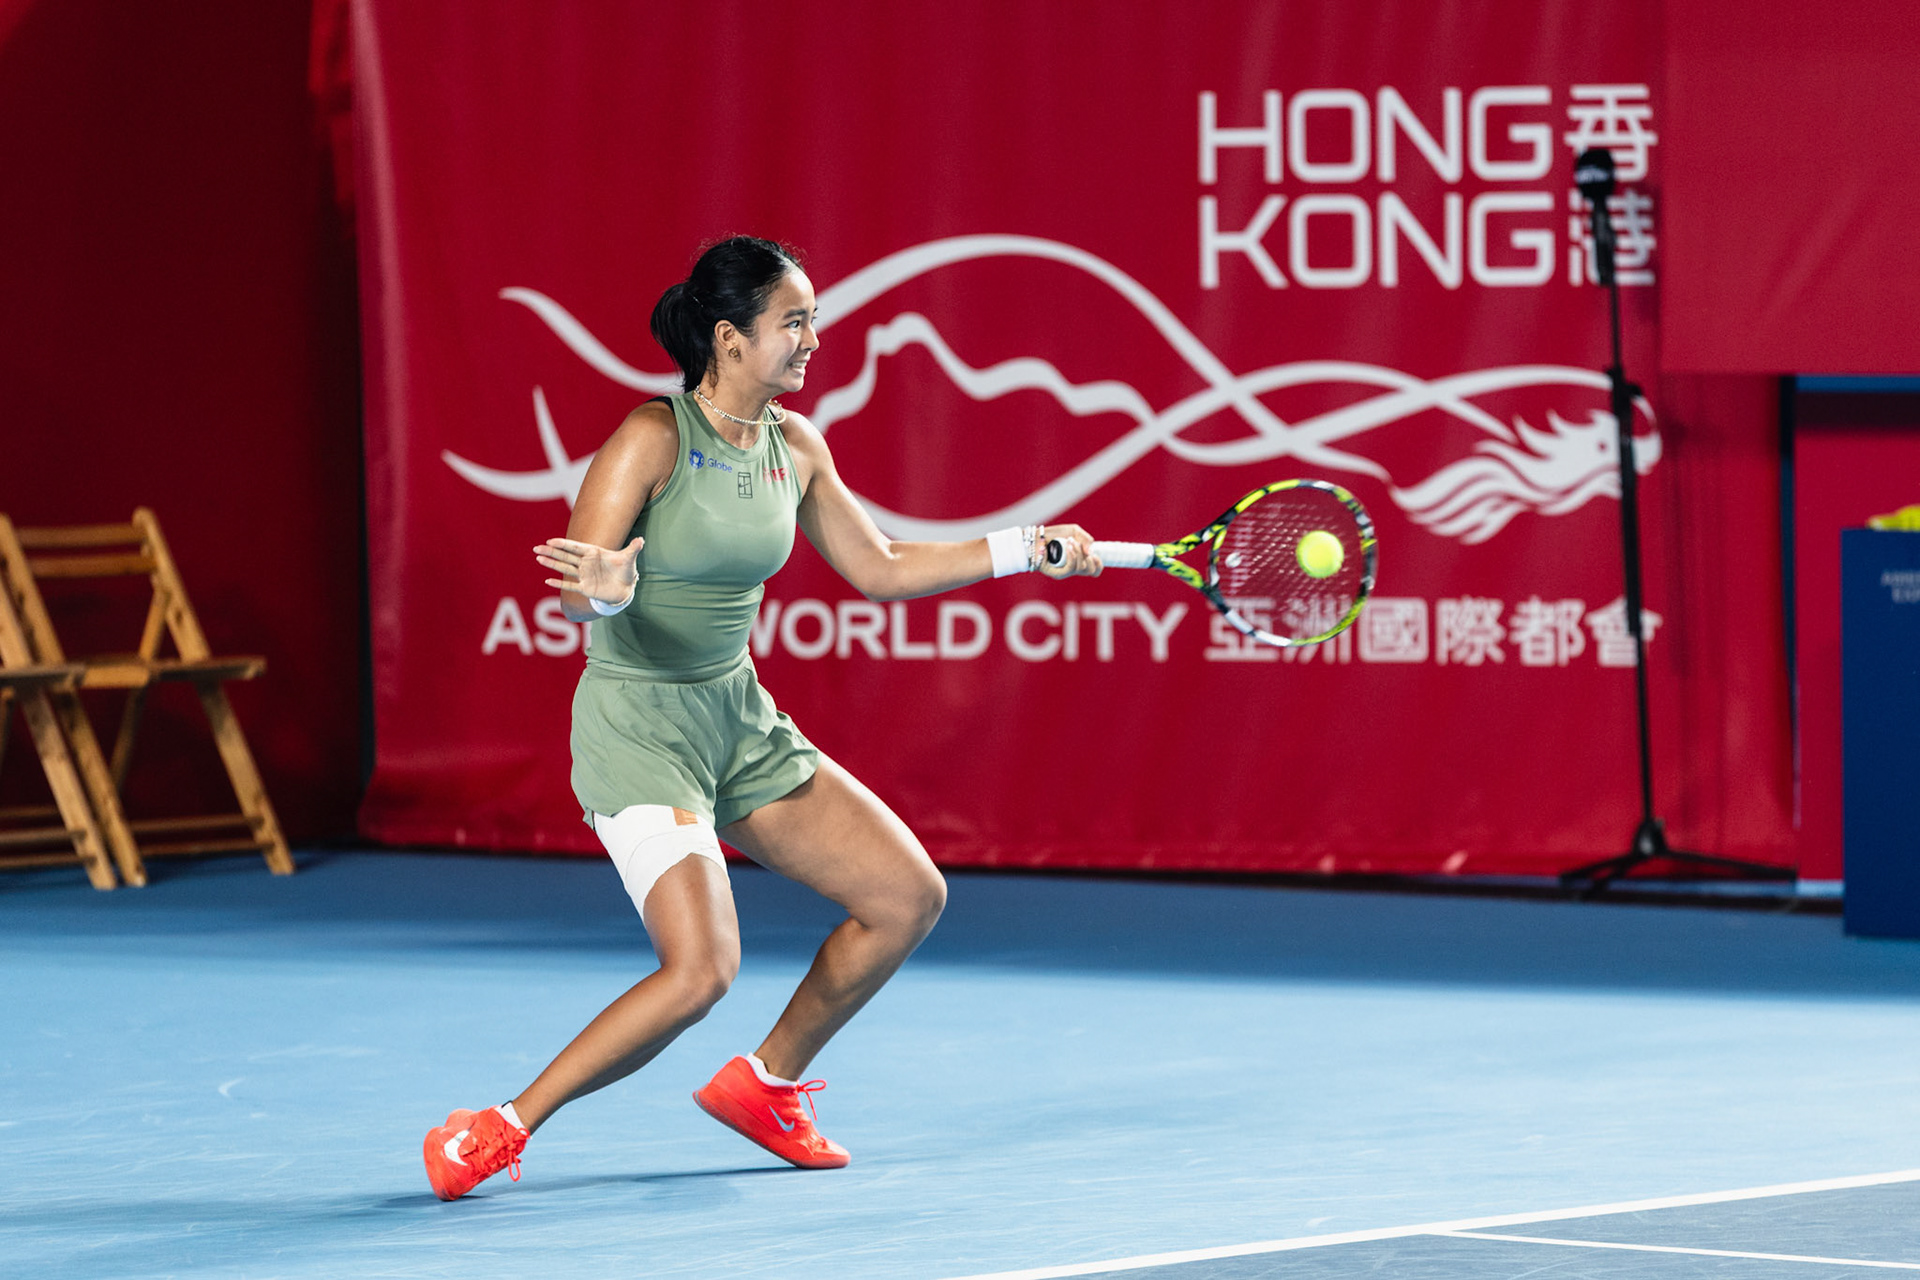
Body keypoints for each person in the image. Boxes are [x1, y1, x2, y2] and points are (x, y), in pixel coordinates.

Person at [422, 235, 1101, 1200]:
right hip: (639, 731)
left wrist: (1024, 546)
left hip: (738, 721)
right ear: (730, 339)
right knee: (700, 972)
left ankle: (767, 1083)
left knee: (908, 897)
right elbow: (580, 592)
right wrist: (609, 591)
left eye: (813, 319)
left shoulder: (797, 446)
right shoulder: (649, 440)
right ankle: (501, 1126)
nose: (813, 340)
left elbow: (883, 570)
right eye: (795, 322)